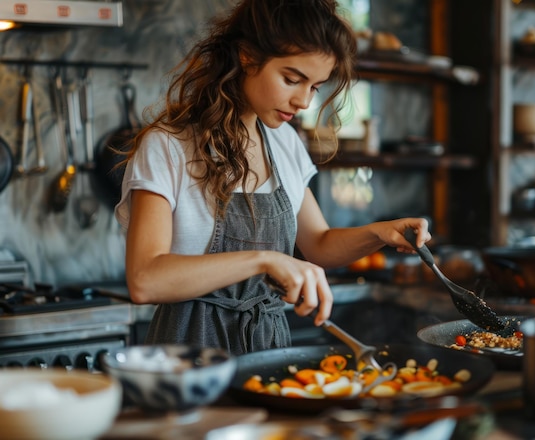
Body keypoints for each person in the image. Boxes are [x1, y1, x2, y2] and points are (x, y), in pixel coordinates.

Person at [115, 0, 431, 355]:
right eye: (292, 79)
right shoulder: (167, 146)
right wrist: (265, 259)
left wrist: (379, 233)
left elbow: (320, 244)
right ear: (248, 57)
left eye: (314, 86)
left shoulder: (284, 141)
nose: (304, 102)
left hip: (267, 350)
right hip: (188, 360)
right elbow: (145, 280)